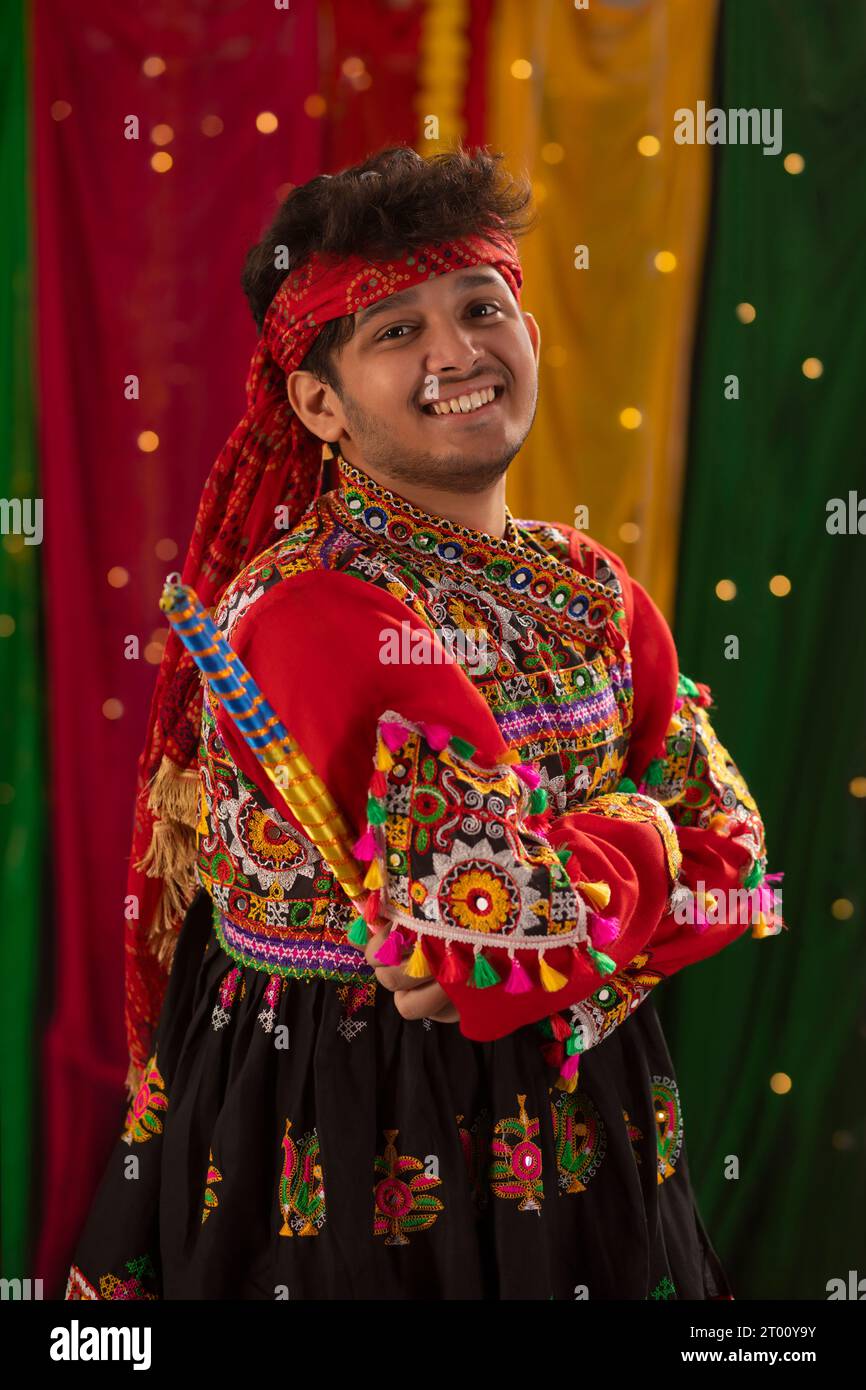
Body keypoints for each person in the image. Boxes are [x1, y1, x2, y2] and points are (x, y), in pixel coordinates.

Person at [65, 143, 783, 1302]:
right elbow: (483, 919)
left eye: (479, 307)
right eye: (394, 330)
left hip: (591, 1124)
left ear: (529, 338)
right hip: (359, 1125)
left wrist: (582, 890)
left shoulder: (589, 587)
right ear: (317, 401)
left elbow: (743, 868)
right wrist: (649, 839)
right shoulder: (309, 612)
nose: (455, 353)